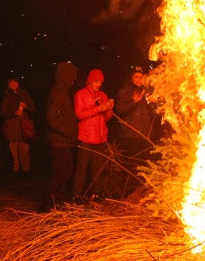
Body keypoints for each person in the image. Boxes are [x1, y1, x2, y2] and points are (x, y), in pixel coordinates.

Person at [71, 68, 114, 203]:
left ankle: (96, 193)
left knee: (97, 169)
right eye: (96, 82)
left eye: (100, 82)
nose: (98, 85)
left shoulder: (103, 95)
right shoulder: (80, 94)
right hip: (86, 137)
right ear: (90, 81)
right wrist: (98, 109)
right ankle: (76, 194)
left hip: (100, 137)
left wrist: (109, 109)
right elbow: (79, 114)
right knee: (82, 167)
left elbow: (106, 118)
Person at [43, 61, 80, 210]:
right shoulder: (59, 90)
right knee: (61, 172)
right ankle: (48, 203)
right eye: (72, 75)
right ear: (65, 75)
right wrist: (69, 131)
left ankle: (56, 201)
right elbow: (52, 117)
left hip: (64, 141)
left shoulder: (63, 89)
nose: (74, 78)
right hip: (59, 141)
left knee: (66, 171)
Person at [114, 67, 158, 171]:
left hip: (145, 136)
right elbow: (120, 110)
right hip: (130, 136)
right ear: (131, 78)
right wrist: (133, 102)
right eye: (136, 77)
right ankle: (129, 186)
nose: (139, 79)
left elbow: (152, 113)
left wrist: (153, 103)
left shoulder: (146, 92)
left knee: (143, 168)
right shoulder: (126, 90)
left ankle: (141, 186)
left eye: (141, 77)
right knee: (131, 166)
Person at [0, 76, 37, 178]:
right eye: (11, 83)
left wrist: (26, 107)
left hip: (24, 129)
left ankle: (26, 173)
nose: (14, 84)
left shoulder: (24, 94)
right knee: (14, 155)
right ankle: (15, 174)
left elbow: (33, 109)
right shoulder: (6, 96)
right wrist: (13, 112)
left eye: (15, 82)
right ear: (8, 85)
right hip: (11, 129)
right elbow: (2, 112)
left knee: (24, 153)